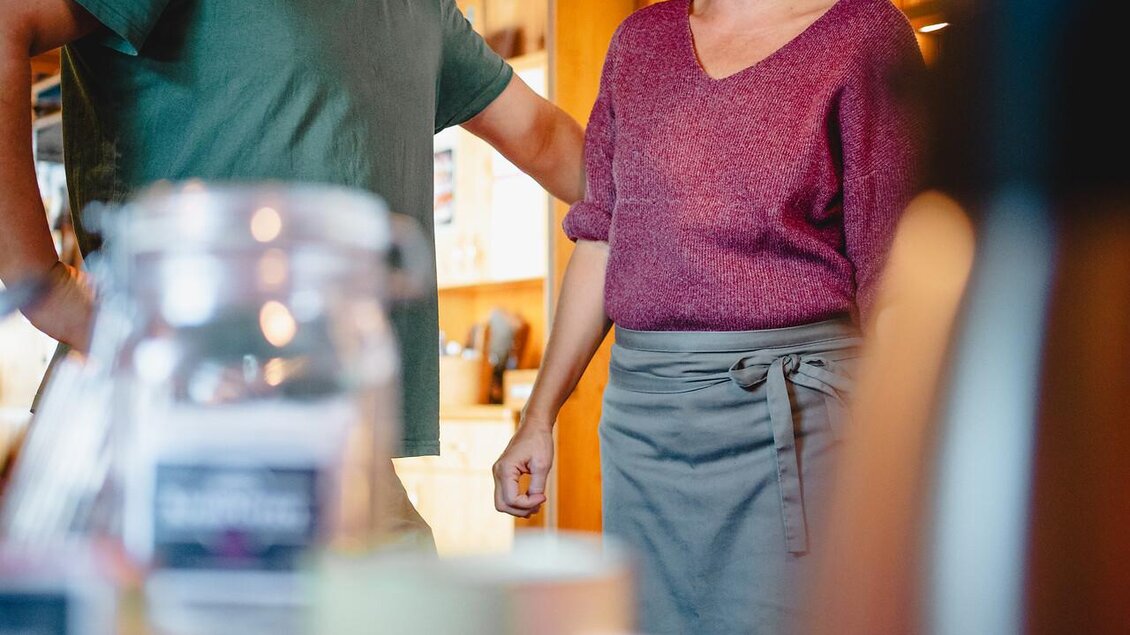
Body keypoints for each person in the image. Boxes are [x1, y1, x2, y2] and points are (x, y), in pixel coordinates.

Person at [0, 0, 585, 551]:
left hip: (338, 447)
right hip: (162, 428)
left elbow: (543, 136)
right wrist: (44, 285)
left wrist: (669, 192)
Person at [492, 0, 925, 632]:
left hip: (797, 420)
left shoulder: (864, 31)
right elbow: (603, 237)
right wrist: (538, 419)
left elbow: (895, 278)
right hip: (644, 426)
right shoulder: (639, 40)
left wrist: (915, 450)